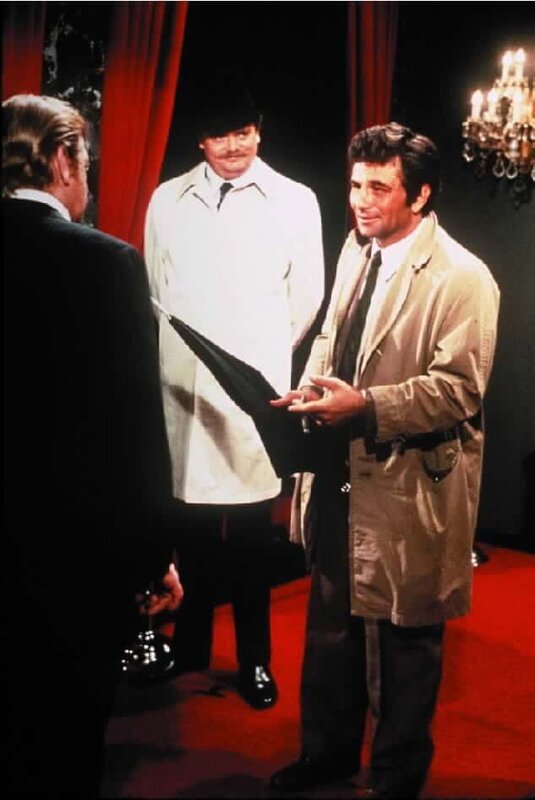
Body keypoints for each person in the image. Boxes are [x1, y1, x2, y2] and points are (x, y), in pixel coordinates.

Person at [269, 123, 500, 797]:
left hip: (407, 482)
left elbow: (458, 390)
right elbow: (329, 340)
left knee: (407, 641)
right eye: (354, 185)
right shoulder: (355, 250)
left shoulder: (463, 277)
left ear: (420, 195)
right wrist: (310, 391)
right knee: (330, 625)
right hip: (339, 472)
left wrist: (365, 406)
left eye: (378, 187)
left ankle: (397, 777)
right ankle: (327, 755)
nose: (360, 201)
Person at [2, 94, 183, 798]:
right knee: (66, 739)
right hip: (72, 557)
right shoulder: (106, 262)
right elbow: (133, 425)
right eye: (87, 161)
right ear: (61, 160)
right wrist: (153, 555)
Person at [144, 74, 324, 709]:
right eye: (221, 136)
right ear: (200, 140)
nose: (233, 146)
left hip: (253, 395)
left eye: (244, 133)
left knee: (250, 540)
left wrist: (257, 354)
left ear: (260, 131)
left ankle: (255, 662)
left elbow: (307, 299)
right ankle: (190, 646)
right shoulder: (167, 200)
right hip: (185, 393)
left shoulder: (295, 200)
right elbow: (156, 291)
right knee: (192, 532)